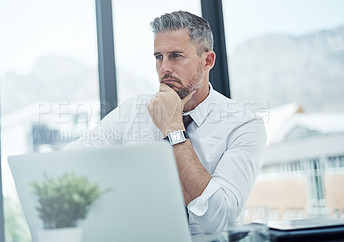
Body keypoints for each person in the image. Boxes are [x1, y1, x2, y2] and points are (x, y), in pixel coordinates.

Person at [68, 10, 266, 235]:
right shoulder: (134, 110)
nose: (164, 68)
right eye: (158, 57)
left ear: (207, 61)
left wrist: (173, 129)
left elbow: (219, 218)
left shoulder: (244, 125)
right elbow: (70, 163)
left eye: (176, 55)